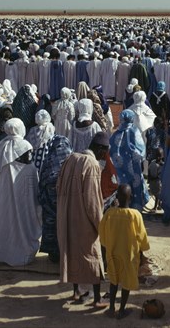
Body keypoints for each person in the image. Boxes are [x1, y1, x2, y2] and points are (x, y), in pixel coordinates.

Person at [56, 132, 110, 308]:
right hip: (83, 218)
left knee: (72, 253)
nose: (105, 156)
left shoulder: (71, 158)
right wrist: (100, 224)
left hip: (67, 215)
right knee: (92, 255)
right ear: (100, 148)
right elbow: (92, 199)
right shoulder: (92, 164)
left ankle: (77, 291)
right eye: (105, 151)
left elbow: (58, 185)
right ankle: (96, 299)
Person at [0, 118, 41, 266]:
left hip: (3, 194)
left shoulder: (0, 147)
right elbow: (28, 166)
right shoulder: (25, 145)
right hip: (22, 190)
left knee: (4, 218)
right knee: (21, 219)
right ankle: (21, 252)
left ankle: (1, 252)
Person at [99, 184, 150, 319]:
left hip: (113, 255)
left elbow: (102, 232)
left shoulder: (110, 213)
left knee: (114, 281)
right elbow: (142, 236)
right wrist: (143, 252)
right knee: (126, 283)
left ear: (116, 197)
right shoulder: (135, 215)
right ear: (131, 197)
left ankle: (111, 308)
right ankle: (121, 310)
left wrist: (106, 246)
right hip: (129, 256)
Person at [38, 135, 73, 263]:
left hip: (49, 206)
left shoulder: (48, 161)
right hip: (67, 206)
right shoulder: (71, 162)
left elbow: (41, 182)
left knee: (52, 226)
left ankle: (53, 254)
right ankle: (66, 252)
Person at [109, 110, 149, 211]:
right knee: (135, 187)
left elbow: (111, 151)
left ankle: (122, 209)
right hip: (134, 168)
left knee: (122, 188)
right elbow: (141, 151)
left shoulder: (115, 135)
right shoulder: (135, 131)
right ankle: (136, 209)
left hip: (120, 169)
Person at [147, 147, 164, 212]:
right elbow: (149, 170)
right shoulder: (152, 163)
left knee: (158, 194)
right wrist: (149, 178)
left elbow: (161, 175)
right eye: (157, 155)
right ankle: (159, 205)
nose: (158, 157)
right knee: (154, 193)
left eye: (159, 156)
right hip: (152, 182)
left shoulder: (162, 165)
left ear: (162, 156)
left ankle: (155, 207)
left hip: (158, 182)